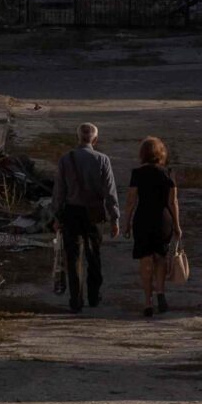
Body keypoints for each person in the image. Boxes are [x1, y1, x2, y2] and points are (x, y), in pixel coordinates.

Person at [51, 121, 119, 313]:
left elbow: (59, 192)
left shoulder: (66, 159)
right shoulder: (102, 160)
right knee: (94, 256)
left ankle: (76, 299)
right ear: (95, 139)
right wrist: (115, 218)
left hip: (72, 212)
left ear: (77, 138)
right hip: (94, 213)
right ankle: (94, 296)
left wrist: (56, 216)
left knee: (73, 258)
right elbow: (110, 192)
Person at [126, 137, 184, 318]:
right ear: (161, 154)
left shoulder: (137, 173)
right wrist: (177, 224)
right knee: (160, 257)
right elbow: (172, 201)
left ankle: (147, 301)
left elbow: (131, 201)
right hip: (162, 219)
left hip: (143, 219)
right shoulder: (168, 173)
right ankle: (161, 292)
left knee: (145, 260)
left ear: (142, 154)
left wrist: (126, 223)